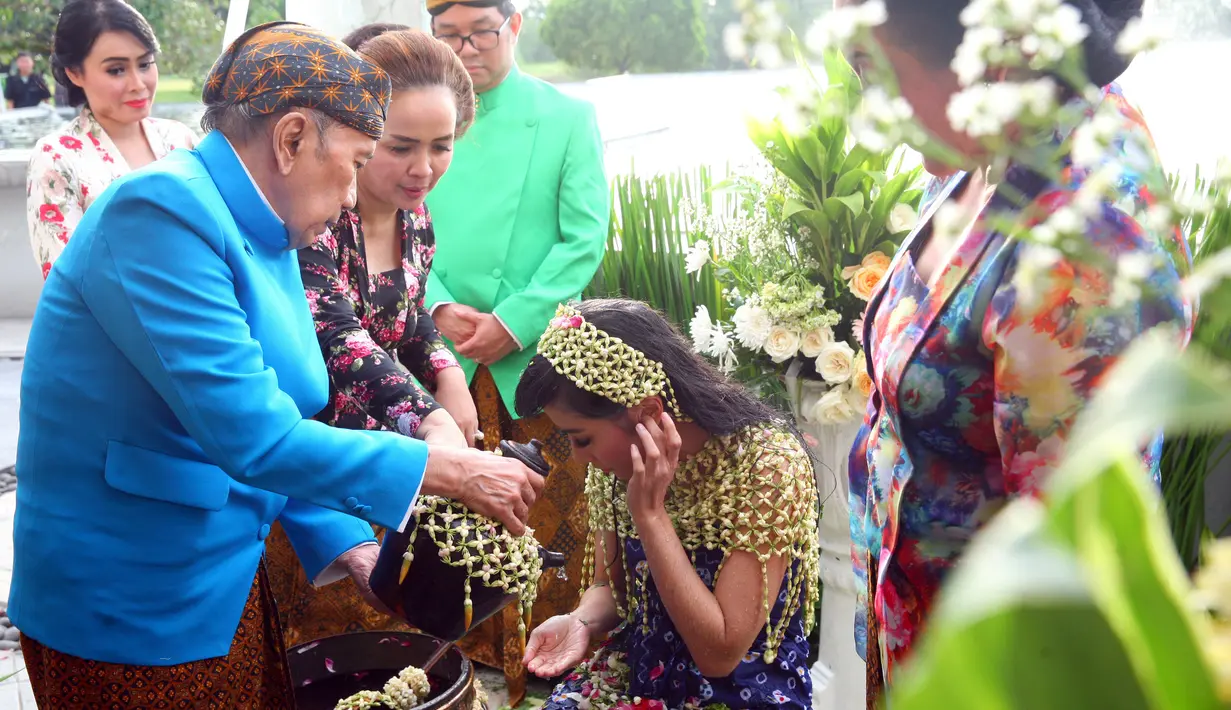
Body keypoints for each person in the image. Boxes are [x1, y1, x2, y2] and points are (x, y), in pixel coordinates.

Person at [12, 21, 543, 709]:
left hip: (220, 571)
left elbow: (280, 410)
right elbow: (253, 437)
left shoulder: (268, 228)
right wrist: (452, 469)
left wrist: (348, 543)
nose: (354, 194)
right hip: (132, 594)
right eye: (355, 161)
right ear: (291, 139)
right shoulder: (159, 215)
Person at [838, 0, 1194, 705]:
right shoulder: (987, 140)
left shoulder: (1079, 247)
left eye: (871, 71)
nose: (867, 112)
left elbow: (1070, 564)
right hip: (920, 626)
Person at [264, 25, 484, 648]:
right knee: (329, 648)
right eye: (399, 147)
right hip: (319, 463)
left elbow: (410, 315)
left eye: (442, 147)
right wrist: (430, 418)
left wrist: (446, 373)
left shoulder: (417, 220)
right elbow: (335, 333)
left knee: (406, 644)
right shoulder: (318, 214)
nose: (424, 169)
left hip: (394, 456)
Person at [425, 0, 611, 698]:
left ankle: (555, 661)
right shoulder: (416, 113)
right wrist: (436, 305)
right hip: (441, 348)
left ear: (516, 26)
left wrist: (515, 318)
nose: (466, 48)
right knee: (452, 520)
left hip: (534, 352)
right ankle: (458, 667)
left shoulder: (564, 117)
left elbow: (584, 235)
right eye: (447, 35)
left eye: (481, 32)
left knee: (553, 511)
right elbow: (392, 213)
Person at [516, 299, 821, 709]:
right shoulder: (612, 468)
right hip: (642, 667)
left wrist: (650, 514)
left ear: (647, 412)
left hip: (745, 686)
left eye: (582, 438)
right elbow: (611, 590)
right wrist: (580, 621)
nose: (577, 457)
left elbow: (720, 653)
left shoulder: (768, 465)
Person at [25, 0, 197, 280]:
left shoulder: (179, 139)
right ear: (74, 73)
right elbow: (66, 280)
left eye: (145, 64)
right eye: (116, 70)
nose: (138, 84)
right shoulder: (56, 158)